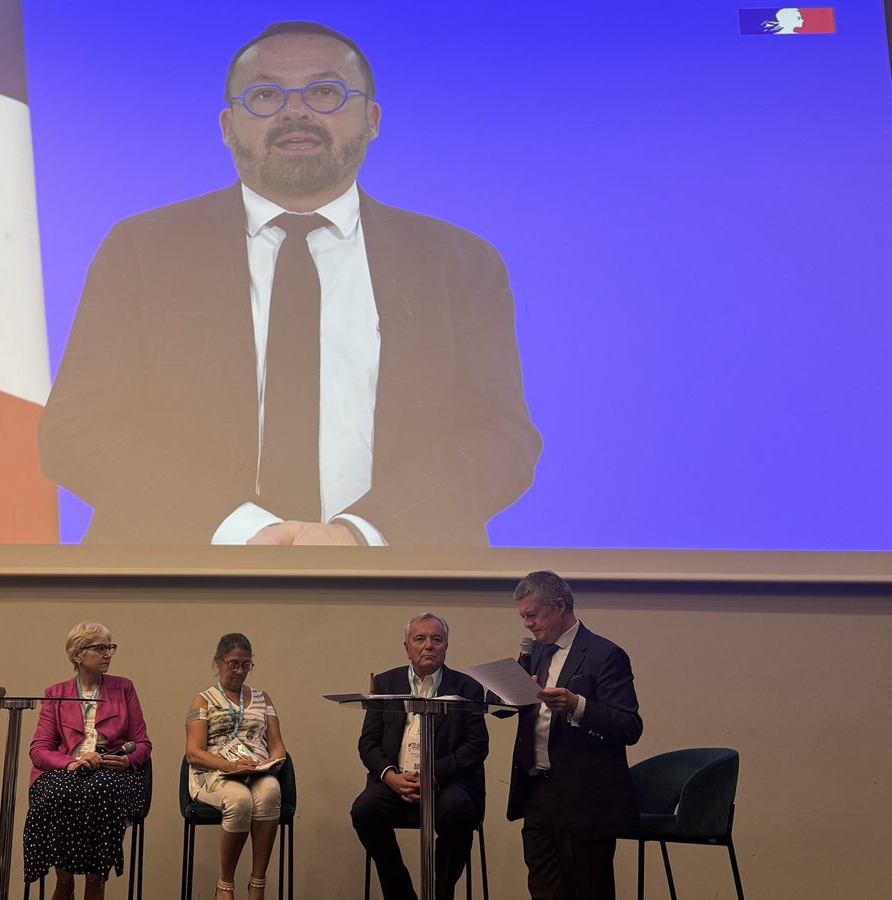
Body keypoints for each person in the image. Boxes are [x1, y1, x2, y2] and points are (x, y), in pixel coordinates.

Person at [38, 20, 542, 547]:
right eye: (265, 95)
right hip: (179, 572)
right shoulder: (144, 250)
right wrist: (243, 532)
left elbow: (501, 439)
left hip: (401, 579)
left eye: (325, 92)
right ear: (227, 126)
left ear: (372, 119)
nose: (296, 112)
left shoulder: (457, 262)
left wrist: (360, 535)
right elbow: (77, 430)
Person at [506, 571, 643, 900]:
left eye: (532, 615)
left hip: (584, 798)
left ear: (559, 606)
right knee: (544, 890)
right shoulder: (535, 653)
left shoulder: (604, 654)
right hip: (537, 790)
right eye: (523, 616)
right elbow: (515, 707)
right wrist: (510, 694)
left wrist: (577, 706)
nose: (527, 624)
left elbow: (629, 726)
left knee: (589, 890)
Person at [351, 613, 488, 900]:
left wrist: (433, 775)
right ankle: (401, 894)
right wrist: (390, 776)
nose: (429, 646)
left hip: (447, 782)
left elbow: (476, 746)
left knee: (459, 811)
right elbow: (368, 743)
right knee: (364, 811)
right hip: (396, 779)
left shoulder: (468, 688)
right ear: (407, 648)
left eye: (437, 640)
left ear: (446, 646)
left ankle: (441, 894)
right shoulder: (386, 683)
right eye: (420, 639)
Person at [23, 623, 151, 900]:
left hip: (111, 772)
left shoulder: (124, 687)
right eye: (100, 648)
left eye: (110, 647)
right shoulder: (55, 693)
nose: (108, 654)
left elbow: (143, 743)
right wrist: (70, 763)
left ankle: (95, 882)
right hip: (67, 770)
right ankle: (64, 880)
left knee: (102, 788)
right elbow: (39, 749)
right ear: (77, 655)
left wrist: (127, 761)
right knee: (61, 791)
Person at [185, 633, 287, 900]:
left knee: (270, 791)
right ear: (217, 663)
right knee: (240, 800)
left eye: (245, 664)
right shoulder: (203, 700)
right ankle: (225, 885)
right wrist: (230, 766)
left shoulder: (263, 698)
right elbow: (193, 753)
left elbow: (277, 745)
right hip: (215, 773)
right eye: (233, 664)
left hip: (256, 770)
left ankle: (257, 884)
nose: (240, 671)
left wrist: (271, 763)